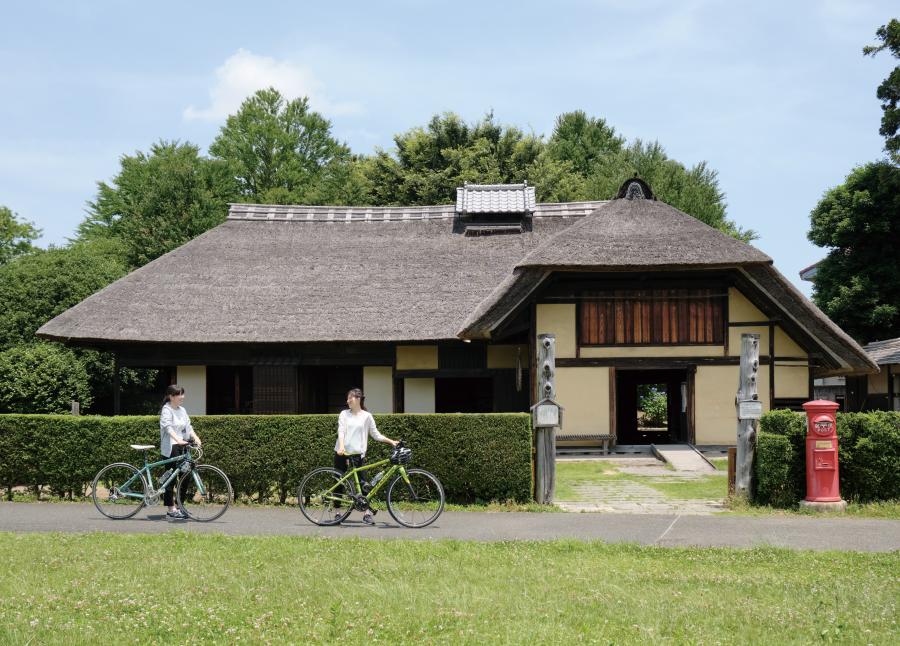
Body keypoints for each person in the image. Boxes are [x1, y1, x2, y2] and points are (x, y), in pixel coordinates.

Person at [335, 387, 398, 525]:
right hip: (342, 452)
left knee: (363, 484)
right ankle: (337, 512)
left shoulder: (366, 416)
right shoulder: (344, 414)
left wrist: (391, 441)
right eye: (347, 398)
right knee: (339, 482)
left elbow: (376, 434)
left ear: (358, 398)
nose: (347, 400)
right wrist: (341, 446)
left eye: (350, 398)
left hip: (358, 454)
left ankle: (366, 513)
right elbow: (341, 431)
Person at [159, 384, 202, 520]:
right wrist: (178, 439)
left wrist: (195, 437)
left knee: (185, 476)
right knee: (170, 478)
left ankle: (180, 506)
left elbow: (188, 426)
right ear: (171, 397)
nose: (182, 397)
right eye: (179, 394)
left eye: (183, 394)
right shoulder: (167, 410)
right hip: (171, 447)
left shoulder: (182, 410)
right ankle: (171, 509)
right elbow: (167, 427)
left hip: (183, 446)